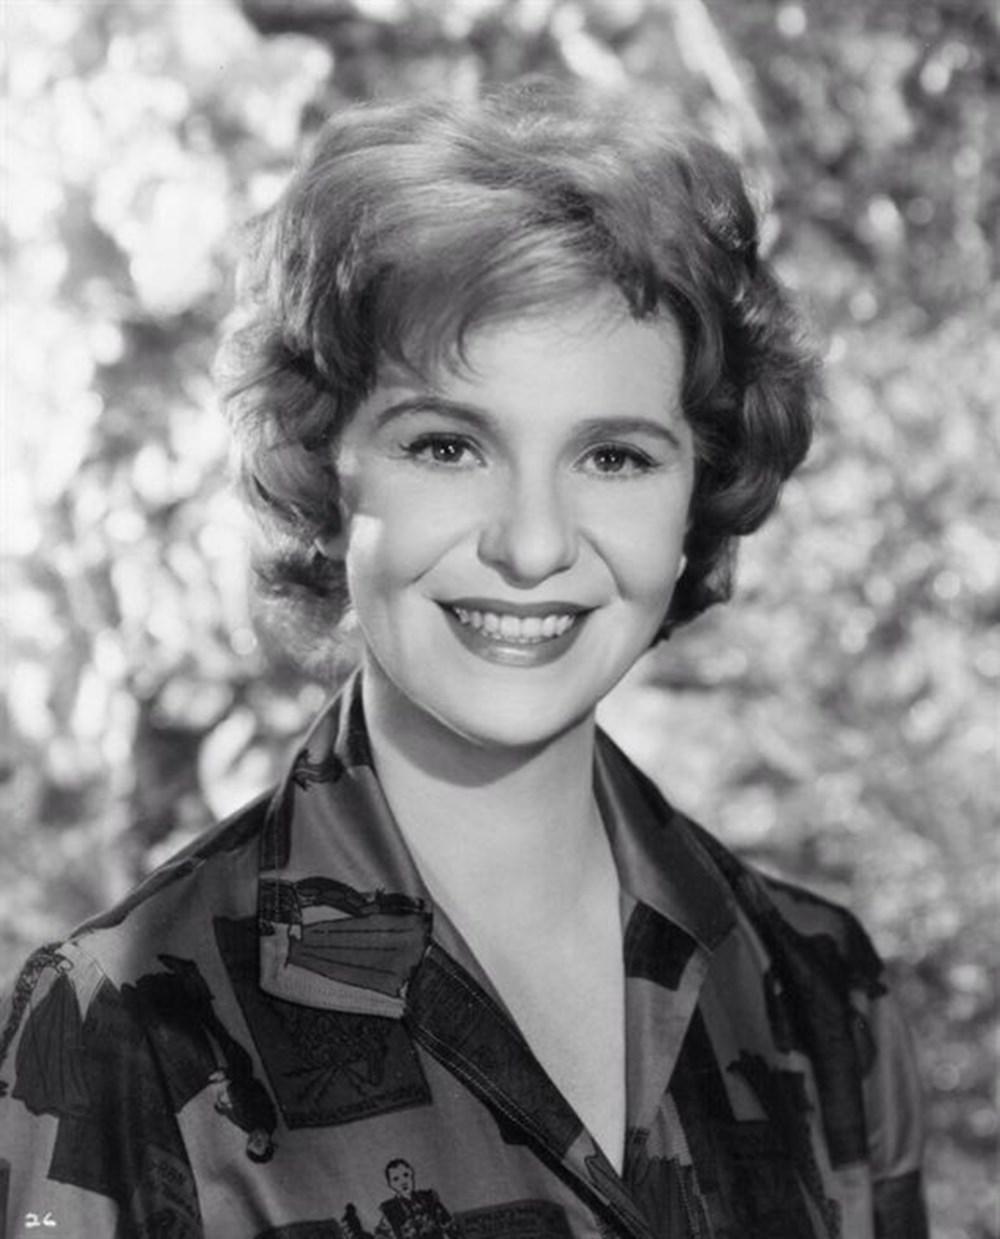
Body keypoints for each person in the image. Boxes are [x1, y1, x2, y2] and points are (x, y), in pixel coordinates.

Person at [0, 80, 927, 1238]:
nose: (531, 546)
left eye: (614, 458)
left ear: (698, 498)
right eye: (446, 446)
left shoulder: (822, 991)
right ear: (324, 469)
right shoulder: (121, 1023)